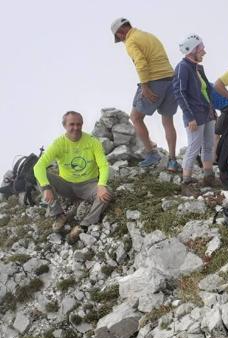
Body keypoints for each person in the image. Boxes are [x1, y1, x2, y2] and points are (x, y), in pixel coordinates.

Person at [111, 17, 180, 171]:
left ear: (121, 31)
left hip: (154, 81)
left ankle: (151, 154)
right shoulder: (148, 36)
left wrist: (145, 87)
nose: (121, 40)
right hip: (171, 80)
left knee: (135, 117)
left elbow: (141, 63)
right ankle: (173, 160)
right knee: (167, 121)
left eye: (119, 37)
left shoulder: (131, 41)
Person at [33, 111, 112, 243]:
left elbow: (103, 165)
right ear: (64, 125)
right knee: (42, 176)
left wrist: (102, 185)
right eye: (72, 124)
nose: (76, 128)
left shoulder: (92, 141)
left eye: (79, 124)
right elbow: (38, 167)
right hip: (67, 185)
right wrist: (46, 187)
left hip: (88, 185)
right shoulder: (58, 143)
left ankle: (84, 225)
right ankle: (59, 215)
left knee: (107, 193)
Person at [172, 34, 217, 187]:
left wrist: (212, 110)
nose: (204, 52)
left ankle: (208, 176)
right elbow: (179, 93)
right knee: (193, 147)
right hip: (195, 116)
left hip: (207, 113)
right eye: (201, 49)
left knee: (208, 145)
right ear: (192, 50)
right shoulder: (182, 67)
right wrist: (189, 117)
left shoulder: (196, 67)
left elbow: (205, 90)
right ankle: (186, 181)